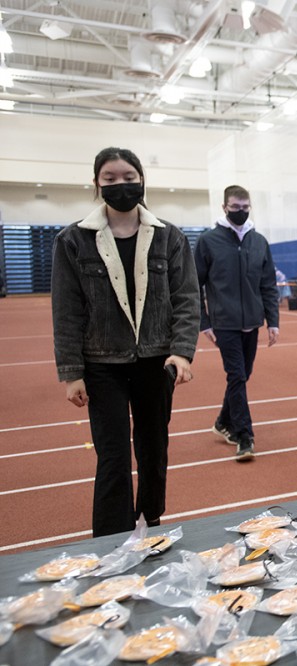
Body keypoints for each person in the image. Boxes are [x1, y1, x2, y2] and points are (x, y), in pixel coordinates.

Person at [51, 146, 199, 537]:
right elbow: (66, 311)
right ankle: (111, 540)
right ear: (96, 184)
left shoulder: (170, 237)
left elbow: (186, 298)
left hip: (156, 362)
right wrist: (71, 373)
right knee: (113, 458)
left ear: (142, 181)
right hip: (102, 366)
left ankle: (149, 523)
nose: (121, 185)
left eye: (128, 177)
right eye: (111, 179)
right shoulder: (72, 241)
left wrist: (182, 352)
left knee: (154, 453)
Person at [194, 185, 279, 461]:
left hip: (251, 322)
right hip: (224, 323)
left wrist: (273, 321)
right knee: (237, 376)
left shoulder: (259, 242)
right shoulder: (208, 242)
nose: (240, 212)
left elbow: (268, 285)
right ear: (224, 207)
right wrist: (203, 322)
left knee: (243, 376)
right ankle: (244, 435)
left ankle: (222, 422)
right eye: (235, 207)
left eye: (245, 207)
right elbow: (195, 285)